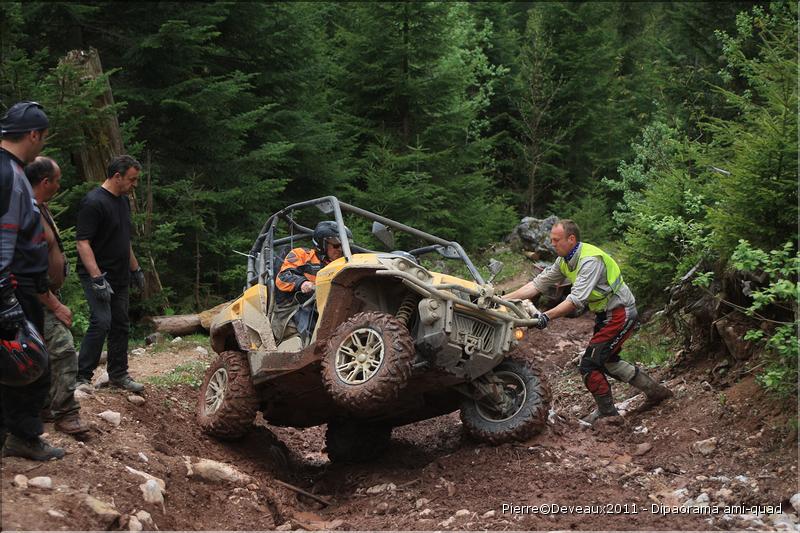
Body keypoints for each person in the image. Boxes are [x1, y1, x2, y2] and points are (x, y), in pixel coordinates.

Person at [506, 219, 672, 424]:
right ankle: (656, 392)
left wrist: (546, 316)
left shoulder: (590, 260)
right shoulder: (564, 260)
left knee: (590, 364)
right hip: (607, 314)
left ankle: (608, 414)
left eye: (556, 240)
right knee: (608, 360)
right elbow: (535, 285)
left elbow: (575, 301)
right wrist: (501, 299)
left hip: (620, 312)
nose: (552, 244)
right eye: (551, 240)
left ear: (571, 239)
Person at [0, 101, 65, 460]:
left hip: (16, 284)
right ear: (34, 134)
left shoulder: (11, 169)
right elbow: (5, 237)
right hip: (14, 287)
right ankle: (24, 436)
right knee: (29, 364)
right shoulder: (10, 176)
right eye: (42, 138)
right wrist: (6, 297)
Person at [25, 156, 89, 435]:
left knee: (44, 352)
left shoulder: (41, 207)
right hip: (37, 294)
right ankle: (66, 413)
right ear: (45, 182)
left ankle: (45, 406)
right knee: (63, 349)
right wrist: (55, 303)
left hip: (47, 291)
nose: (60, 185)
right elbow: (29, 270)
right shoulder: (27, 213)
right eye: (57, 180)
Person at [75, 155, 145, 393]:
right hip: (96, 275)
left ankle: (118, 375)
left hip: (120, 274)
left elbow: (123, 240)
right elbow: (82, 243)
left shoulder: (123, 202)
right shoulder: (93, 202)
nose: (134, 184)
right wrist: (97, 278)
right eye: (131, 179)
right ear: (117, 176)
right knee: (101, 322)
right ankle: (82, 376)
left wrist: (135, 268)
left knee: (120, 324)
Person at [272, 221, 349, 345]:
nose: (340, 249)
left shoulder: (342, 264)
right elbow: (283, 277)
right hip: (297, 305)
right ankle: (308, 349)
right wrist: (302, 283)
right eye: (336, 245)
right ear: (322, 244)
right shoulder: (302, 254)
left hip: (328, 307)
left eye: (343, 245)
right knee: (308, 315)